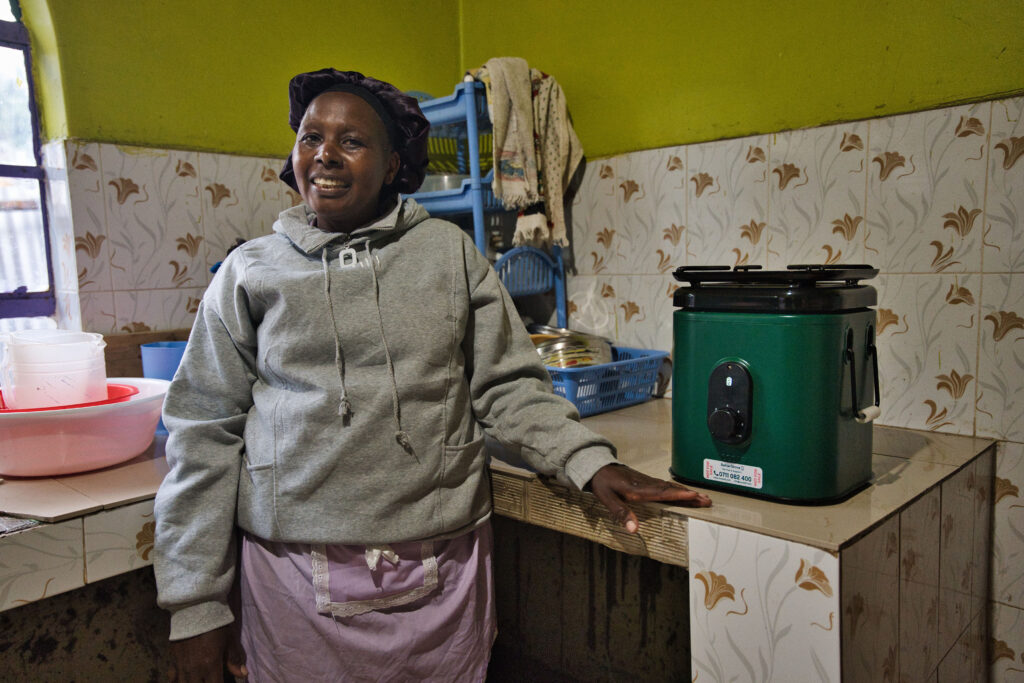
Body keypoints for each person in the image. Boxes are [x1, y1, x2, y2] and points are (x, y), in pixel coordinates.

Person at [153, 68, 711, 683]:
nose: (325, 155)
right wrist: (197, 606)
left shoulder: (448, 255)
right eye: (310, 137)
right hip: (292, 579)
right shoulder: (248, 272)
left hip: (442, 569)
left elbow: (505, 387)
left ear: (394, 165)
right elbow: (204, 431)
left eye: (351, 141)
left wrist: (587, 461)